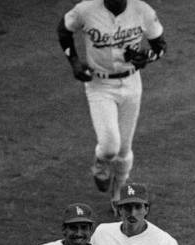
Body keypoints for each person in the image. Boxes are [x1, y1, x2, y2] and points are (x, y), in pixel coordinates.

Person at [57, 0, 166, 201]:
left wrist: (147, 57)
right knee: (109, 147)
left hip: (132, 83)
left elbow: (160, 46)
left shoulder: (142, 10)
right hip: (99, 85)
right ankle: (100, 164)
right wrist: (74, 62)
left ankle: (120, 191)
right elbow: (64, 29)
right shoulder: (86, 10)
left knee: (124, 148)